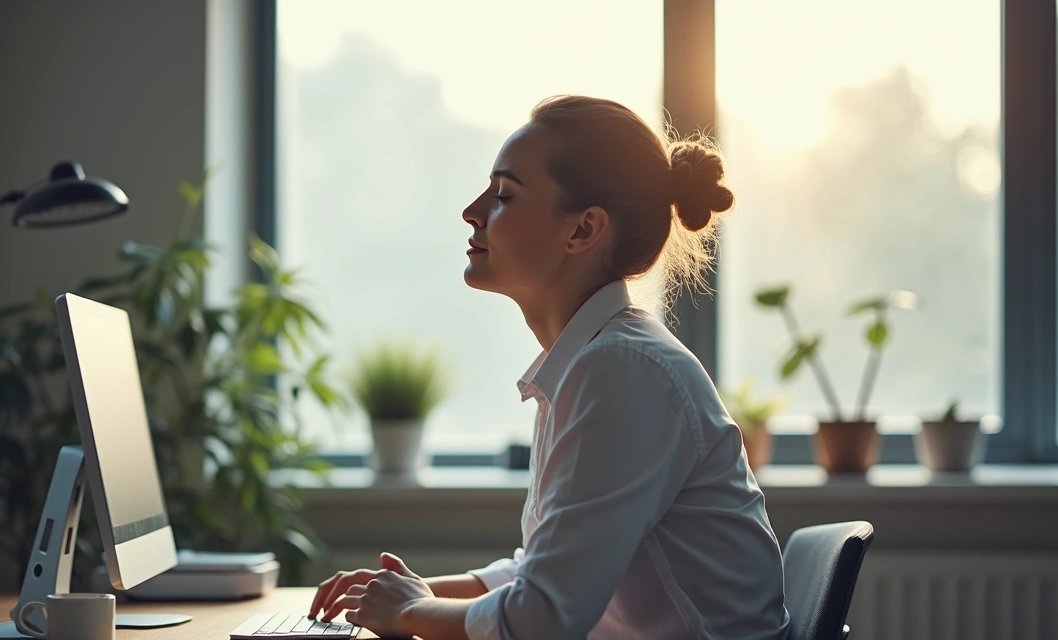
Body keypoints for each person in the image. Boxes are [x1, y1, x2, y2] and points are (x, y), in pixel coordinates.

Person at [309, 95, 790, 640]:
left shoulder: (622, 370)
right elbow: (541, 575)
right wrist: (406, 594)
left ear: (582, 230)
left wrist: (407, 612)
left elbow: (542, 617)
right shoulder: (597, 360)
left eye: (505, 194)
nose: (472, 211)